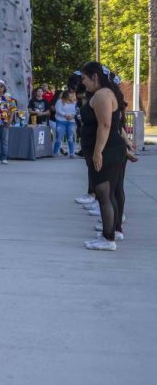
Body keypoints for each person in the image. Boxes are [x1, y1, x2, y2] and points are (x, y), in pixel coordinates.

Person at [79, 62, 128, 251]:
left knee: (104, 194)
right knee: (109, 193)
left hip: (106, 150)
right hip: (109, 148)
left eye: (84, 78)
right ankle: (111, 233)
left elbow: (106, 125)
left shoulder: (102, 95)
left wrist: (98, 151)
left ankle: (108, 239)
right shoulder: (105, 93)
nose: (83, 82)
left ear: (95, 77)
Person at [53, 90, 78, 158]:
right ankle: (55, 152)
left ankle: (72, 153)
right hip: (61, 121)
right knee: (59, 137)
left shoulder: (74, 102)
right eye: (71, 94)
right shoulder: (60, 101)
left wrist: (72, 115)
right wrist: (65, 115)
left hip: (71, 122)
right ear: (66, 94)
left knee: (70, 137)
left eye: (72, 94)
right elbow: (58, 110)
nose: (72, 96)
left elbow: (76, 110)